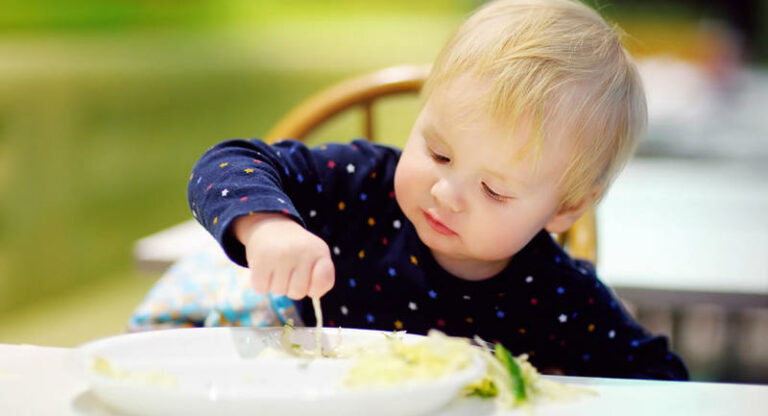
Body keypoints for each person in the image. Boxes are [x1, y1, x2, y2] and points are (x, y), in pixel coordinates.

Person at [186, 0, 688, 380]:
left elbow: (663, 385)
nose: (446, 192)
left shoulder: (557, 297)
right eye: (440, 154)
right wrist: (268, 227)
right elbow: (225, 164)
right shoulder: (359, 187)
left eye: (493, 189)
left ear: (568, 208)